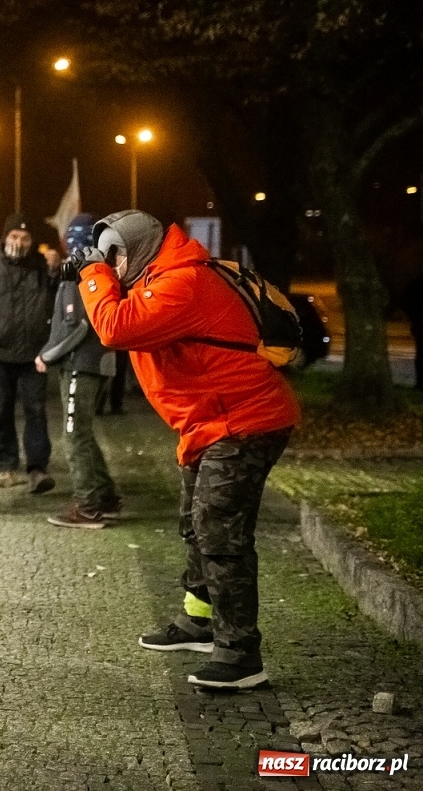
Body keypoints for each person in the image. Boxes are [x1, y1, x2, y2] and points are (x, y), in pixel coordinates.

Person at [67, 210, 299, 691]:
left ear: (140, 250)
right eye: (106, 256)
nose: (110, 264)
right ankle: (200, 622)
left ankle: (240, 654)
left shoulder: (182, 283)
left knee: (219, 532)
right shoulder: (158, 278)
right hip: (209, 424)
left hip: (243, 421)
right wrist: (95, 275)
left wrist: (92, 274)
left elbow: (114, 328)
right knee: (195, 523)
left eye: (115, 255)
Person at [37, 213, 123, 528]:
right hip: (98, 363)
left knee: (73, 437)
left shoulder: (81, 271)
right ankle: (105, 497)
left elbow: (74, 326)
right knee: (83, 434)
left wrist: (46, 355)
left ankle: (88, 507)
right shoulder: (104, 269)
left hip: (80, 365)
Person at [0, 212, 57, 493]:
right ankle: (6, 465)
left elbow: (60, 291)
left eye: (25, 237)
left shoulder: (42, 266)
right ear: (5, 237)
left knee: (36, 411)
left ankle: (37, 469)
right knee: (0, 411)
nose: (20, 241)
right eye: (15, 236)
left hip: (33, 354)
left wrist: (55, 267)